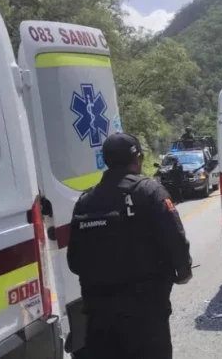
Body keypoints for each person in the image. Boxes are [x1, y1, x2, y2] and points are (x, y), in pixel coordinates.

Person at [67, 133, 193, 359]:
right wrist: (183, 270)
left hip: (99, 315)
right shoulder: (149, 192)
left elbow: (74, 262)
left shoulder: (85, 201)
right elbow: (175, 239)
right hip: (145, 314)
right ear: (137, 158)